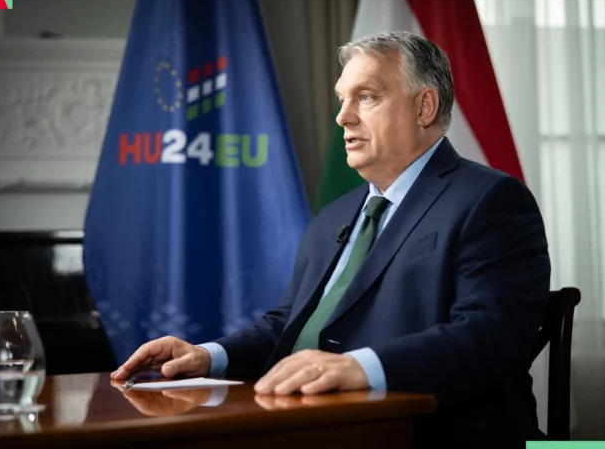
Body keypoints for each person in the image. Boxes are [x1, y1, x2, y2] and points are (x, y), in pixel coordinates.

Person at [111, 31, 550, 446]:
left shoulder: (489, 200)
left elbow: (491, 335)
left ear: (425, 107)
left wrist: (358, 368)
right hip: (306, 426)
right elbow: (287, 323)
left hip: (427, 434)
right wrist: (209, 357)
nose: (343, 116)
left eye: (366, 97)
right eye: (343, 99)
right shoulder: (334, 216)